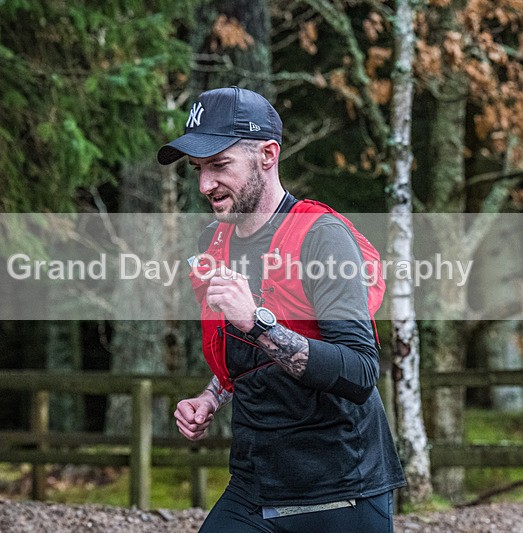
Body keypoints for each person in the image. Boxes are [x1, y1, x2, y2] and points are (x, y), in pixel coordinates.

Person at [158, 86, 405, 533]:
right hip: (256, 483)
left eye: (219, 165)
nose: (204, 185)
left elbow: (359, 371)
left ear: (268, 155)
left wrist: (255, 320)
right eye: (197, 169)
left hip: (341, 490)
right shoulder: (214, 241)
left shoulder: (321, 237)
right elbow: (247, 348)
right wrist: (211, 396)